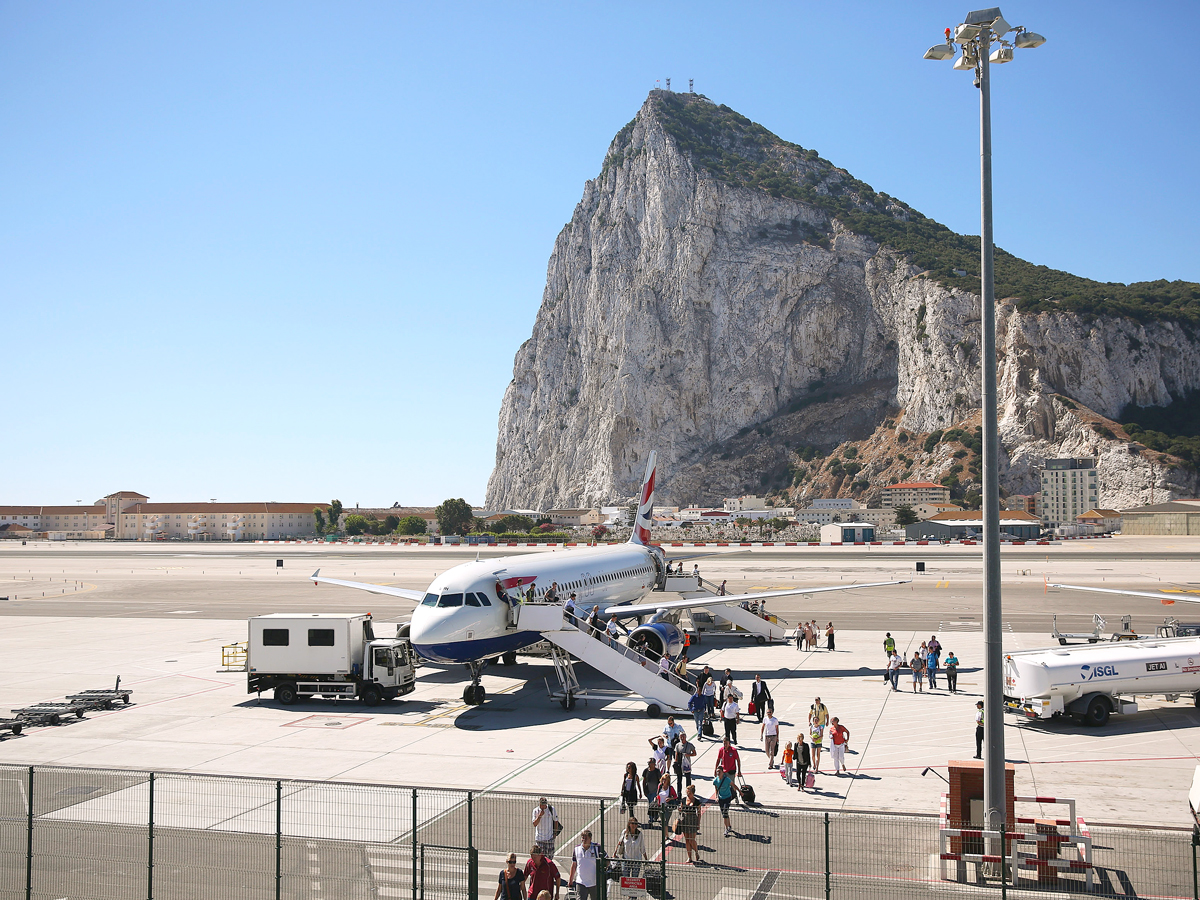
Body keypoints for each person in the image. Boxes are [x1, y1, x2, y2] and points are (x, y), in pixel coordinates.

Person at [568, 830, 601, 900]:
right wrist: (570, 880)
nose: (584, 840)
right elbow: (574, 865)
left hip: (594, 882)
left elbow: (606, 860)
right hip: (581, 882)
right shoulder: (577, 849)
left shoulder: (597, 848)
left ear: (590, 839)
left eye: (586, 838)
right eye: (582, 838)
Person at [678, 784, 703, 863]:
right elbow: (681, 809)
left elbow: (699, 813)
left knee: (692, 839)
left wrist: (698, 823)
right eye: (687, 792)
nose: (688, 794)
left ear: (693, 793)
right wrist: (679, 809)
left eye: (689, 793)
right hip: (685, 819)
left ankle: (696, 851)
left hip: (693, 820)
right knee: (687, 840)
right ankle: (689, 857)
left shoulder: (697, 801)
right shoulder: (684, 799)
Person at [712, 766, 740, 837]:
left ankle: (726, 829)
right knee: (725, 813)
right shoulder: (715, 781)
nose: (718, 773)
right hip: (721, 798)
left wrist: (740, 791)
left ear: (722, 772)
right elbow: (716, 789)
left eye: (719, 771)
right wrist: (716, 797)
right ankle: (729, 825)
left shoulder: (727, 779)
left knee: (725, 812)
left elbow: (734, 785)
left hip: (727, 797)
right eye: (717, 771)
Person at [641, 759, 661, 823]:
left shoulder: (657, 771)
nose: (649, 764)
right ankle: (651, 818)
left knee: (654, 805)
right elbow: (644, 781)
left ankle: (654, 816)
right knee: (650, 805)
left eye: (650, 763)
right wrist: (644, 790)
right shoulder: (646, 771)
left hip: (655, 792)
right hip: (649, 791)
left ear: (653, 764)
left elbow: (660, 781)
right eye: (648, 763)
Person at [761, 705, 780, 769]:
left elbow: (777, 729)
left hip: (773, 736)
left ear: (772, 713)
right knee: (767, 750)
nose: (768, 714)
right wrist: (761, 735)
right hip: (767, 736)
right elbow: (763, 727)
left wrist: (777, 737)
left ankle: (770, 764)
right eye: (767, 713)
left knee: (772, 750)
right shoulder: (765, 719)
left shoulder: (775, 720)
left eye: (769, 712)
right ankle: (771, 759)